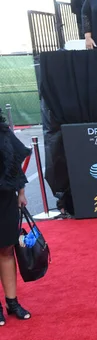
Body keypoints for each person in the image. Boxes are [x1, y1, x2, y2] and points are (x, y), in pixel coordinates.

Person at [0, 110, 32, 326]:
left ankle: (12, 303)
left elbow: (16, 162)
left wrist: (21, 193)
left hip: (5, 198)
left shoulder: (3, 132)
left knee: (7, 249)